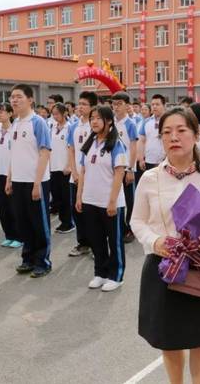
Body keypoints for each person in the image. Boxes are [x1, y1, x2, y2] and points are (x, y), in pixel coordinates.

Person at [131, 107, 200, 384]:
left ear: (197, 135)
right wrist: (155, 241)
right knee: (169, 341)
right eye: (166, 132)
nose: (174, 137)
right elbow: (137, 221)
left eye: (181, 130)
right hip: (163, 267)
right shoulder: (150, 179)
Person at [75, 106, 127, 291]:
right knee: (96, 240)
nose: (94, 121)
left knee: (114, 241)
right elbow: (83, 171)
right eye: (92, 118)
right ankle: (101, 273)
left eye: (98, 118)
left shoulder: (116, 145)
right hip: (90, 200)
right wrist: (79, 196)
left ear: (109, 121)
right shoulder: (89, 144)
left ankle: (116, 275)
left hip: (110, 202)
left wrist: (112, 201)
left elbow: (119, 173)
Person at [5, 84, 52, 278]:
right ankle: (28, 258)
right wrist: (9, 179)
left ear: (30, 99)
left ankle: (43, 261)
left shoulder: (37, 122)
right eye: (12, 97)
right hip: (18, 181)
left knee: (39, 223)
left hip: (36, 181)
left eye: (19, 97)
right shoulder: (15, 123)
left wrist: (37, 183)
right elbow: (13, 154)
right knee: (23, 222)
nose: (14, 100)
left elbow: (44, 152)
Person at [67, 91, 98, 257]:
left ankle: (96, 244)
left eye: (84, 104)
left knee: (92, 212)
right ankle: (82, 243)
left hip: (92, 176)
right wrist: (74, 171)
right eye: (79, 104)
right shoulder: (73, 126)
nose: (80, 107)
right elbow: (71, 150)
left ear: (92, 107)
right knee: (77, 211)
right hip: (76, 176)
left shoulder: (96, 126)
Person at [0, 103, 21, 249]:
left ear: (10, 113)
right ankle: (9, 235)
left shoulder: (14, 130)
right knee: (2, 207)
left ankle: (18, 236)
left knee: (13, 206)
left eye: (2, 112)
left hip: (11, 173)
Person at [111, 91, 138, 244]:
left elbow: (133, 147)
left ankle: (131, 229)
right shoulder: (110, 122)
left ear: (127, 105)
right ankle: (120, 227)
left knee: (130, 200)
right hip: (114, 169)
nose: (116, 107)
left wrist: (130, 169)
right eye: (114, 104)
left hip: (127, 168)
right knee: (117, 198)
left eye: (119, 104)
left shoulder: (130, 124)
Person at [49, 103, 74, 233]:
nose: (55, 116)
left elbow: (71, 148)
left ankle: (68, 222)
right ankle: (62, 221)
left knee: (66, 198)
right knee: (56, 196)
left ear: (64, 113)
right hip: (54, 166)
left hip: (65, 168)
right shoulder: (52, 127)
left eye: (57, 113)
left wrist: (69, 165)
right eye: (53, 114)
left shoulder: (70, 127)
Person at [138, 94, 167, 173]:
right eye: (153, 104)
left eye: (157, 104)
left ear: (164, 105)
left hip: (166, 161)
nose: (154, 107)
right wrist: (141, 159)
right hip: (149, 160)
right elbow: (141, 141)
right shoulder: (146, 121)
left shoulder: (169, 121)